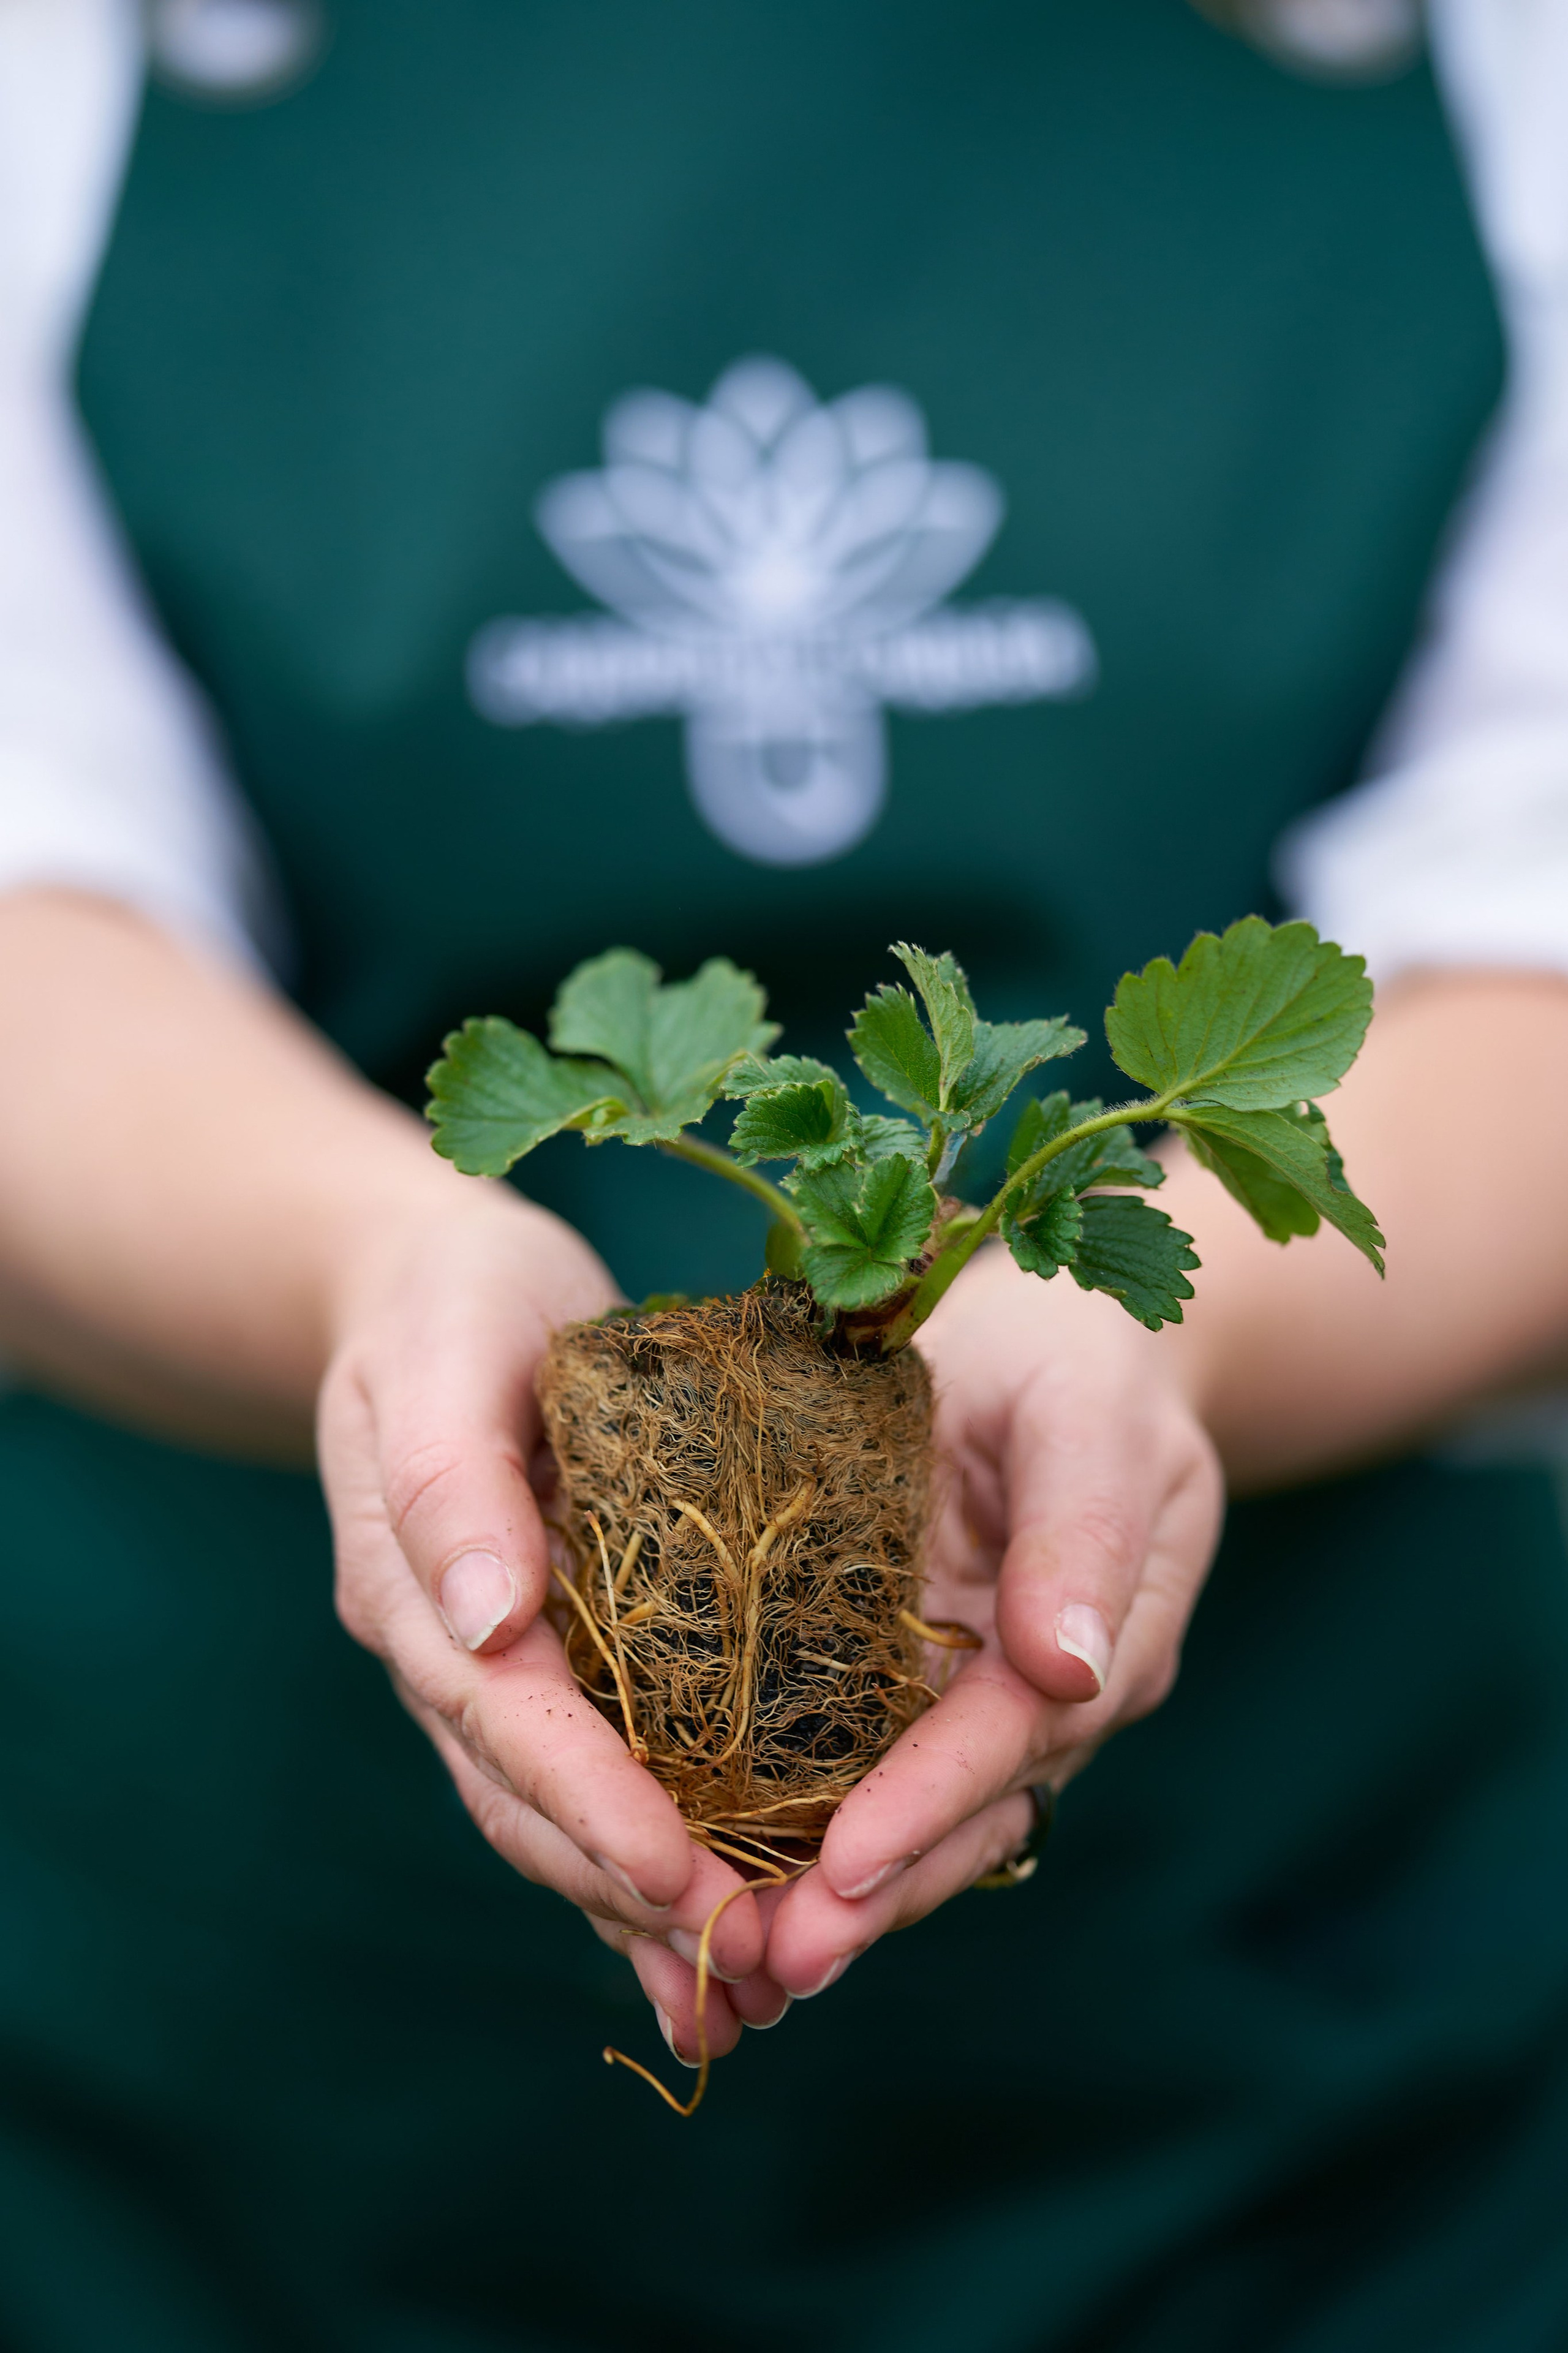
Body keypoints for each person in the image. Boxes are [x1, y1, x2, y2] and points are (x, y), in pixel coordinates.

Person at [2, 0, 1568, 2344]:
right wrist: (389, 1258)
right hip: (250, 2066)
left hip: (1309, 2081)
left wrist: (1167, 1313)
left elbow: (1537, 952)